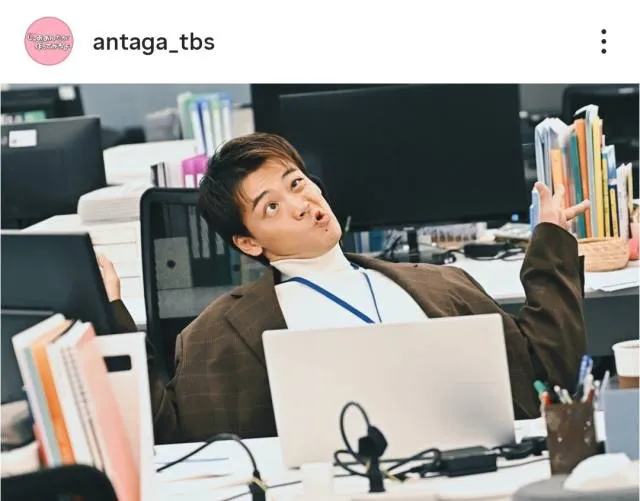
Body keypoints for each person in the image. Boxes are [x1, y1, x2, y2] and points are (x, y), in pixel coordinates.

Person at [101, 132, 590, 445]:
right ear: (248, 242)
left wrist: (551, 243)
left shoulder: (441, 283)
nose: (301, 204)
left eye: (297, 183)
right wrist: (109, 312)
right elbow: (171, 436)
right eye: (271, 206)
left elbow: (548, 373)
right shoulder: (219, 334)